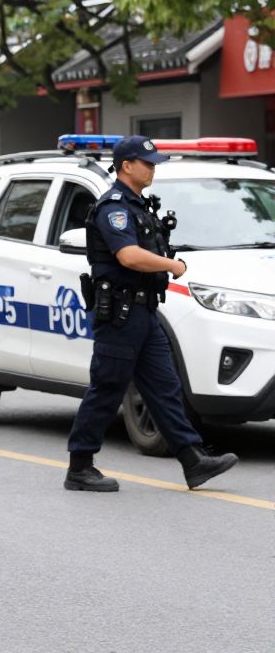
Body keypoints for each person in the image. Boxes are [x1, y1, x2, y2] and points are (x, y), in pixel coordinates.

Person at [65, 134, 238, 492]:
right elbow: (128, 256)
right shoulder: (113, 207)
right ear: (126, 166)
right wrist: (172, 265)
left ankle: (193, 460)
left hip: (144, 310)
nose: (153, 168)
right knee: (108, 387)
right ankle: (80, 466)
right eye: (148, 163)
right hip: (120, 315)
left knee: (164, 387)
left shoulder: (139, 205)